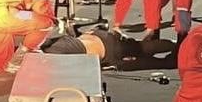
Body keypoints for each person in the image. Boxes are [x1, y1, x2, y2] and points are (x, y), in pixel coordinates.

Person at [40, 27, 176, 69]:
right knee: (142, 47)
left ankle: (174, 59)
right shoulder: (49, 41)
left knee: (146, 59)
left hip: (109, 52)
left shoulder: (53, 54)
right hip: (100, 38)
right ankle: (177, 46)